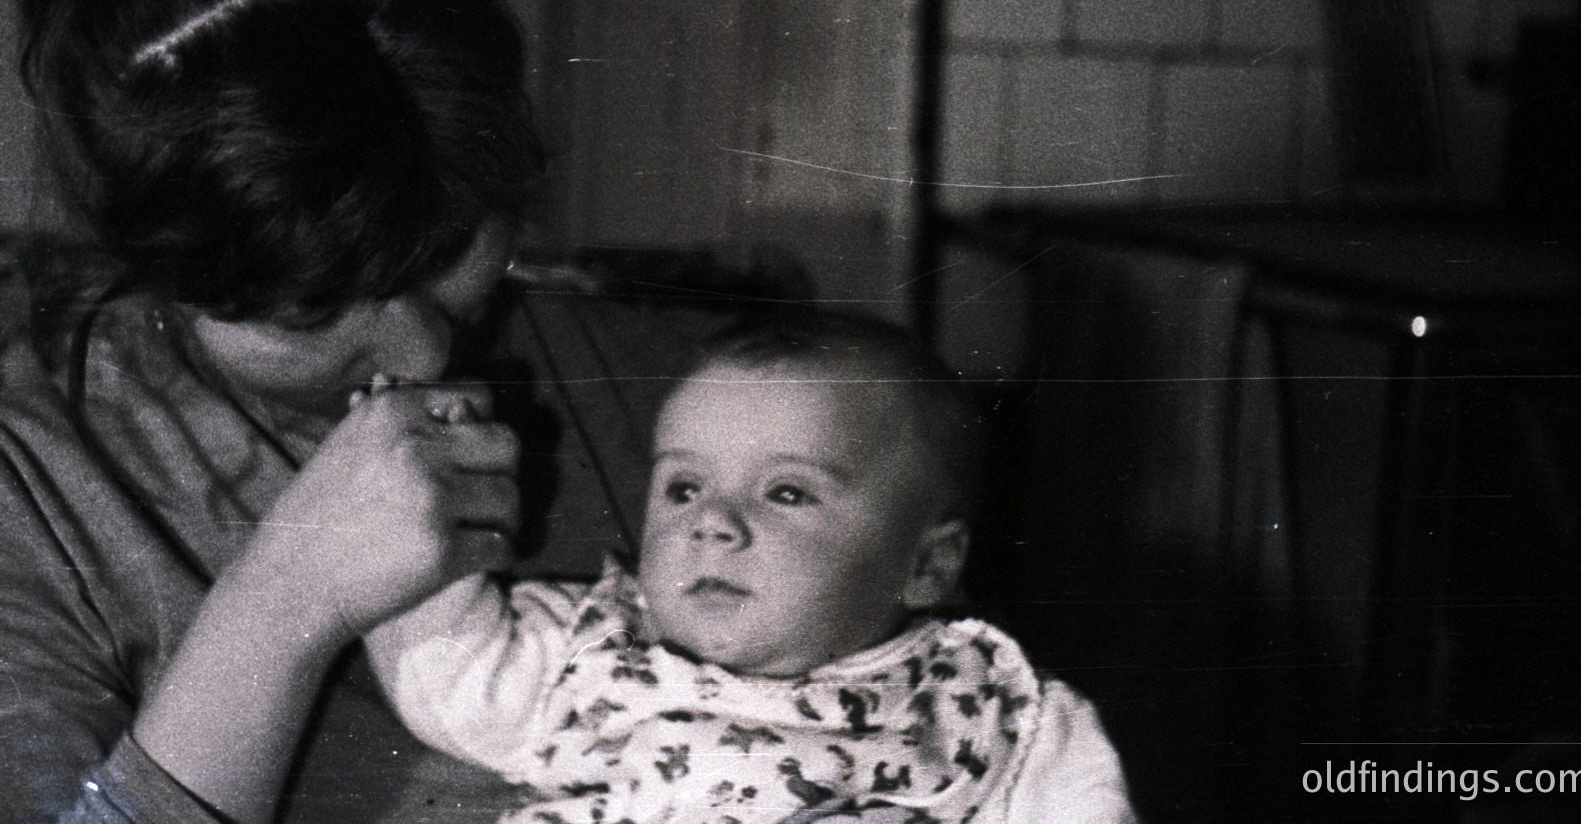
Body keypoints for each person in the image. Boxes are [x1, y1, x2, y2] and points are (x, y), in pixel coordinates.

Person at [0, 0, 711, 823]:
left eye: (448, 252)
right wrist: (286, 599)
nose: (421, 355)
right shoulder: (36, 495)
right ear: (165, 269)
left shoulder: (669, 394)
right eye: (312, 308)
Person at [366, 313, 1137, 823]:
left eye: (786, 491)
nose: (712, 523)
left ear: (927, 564)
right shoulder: (589, 650)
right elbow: (446, 671)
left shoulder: (994, 714)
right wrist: (436, 492)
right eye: (684, 486)